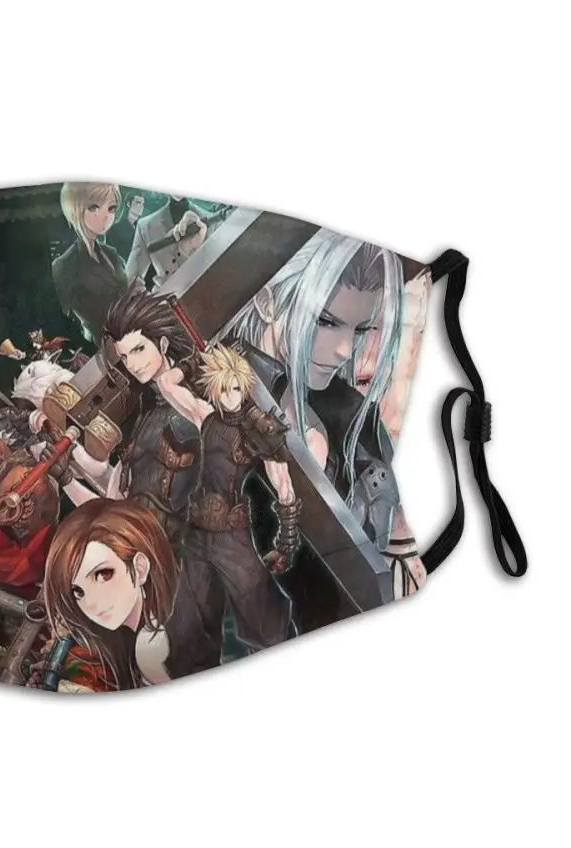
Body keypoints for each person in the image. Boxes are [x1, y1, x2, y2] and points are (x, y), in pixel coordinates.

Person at [224, 228, 425, 607]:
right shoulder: (224, 402)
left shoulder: (357, 421)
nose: (345, 349)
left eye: (359, 328)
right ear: (267, 304)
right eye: (326, 322)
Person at [165, 345, 299, 676]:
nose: (230, 397)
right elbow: (167, 383)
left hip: (231, 535)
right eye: (223, 389)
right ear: (214, 390)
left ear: (244, 387)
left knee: (263, 616)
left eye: (236, 388)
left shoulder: (258, 431)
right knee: (187, 622)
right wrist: (195, 360)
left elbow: (284, 485)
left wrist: (285, 543)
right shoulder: (205, 417)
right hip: (197, 534)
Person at [43, 498, 178, 689]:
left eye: (104, 574)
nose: (91, 603)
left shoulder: (153, 644)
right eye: (78, 591)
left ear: (140, 568)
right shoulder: (137, 634)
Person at [100, 289, 202, 543]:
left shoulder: (196, 393)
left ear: (163, 344)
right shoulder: (144, 417)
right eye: (125, 357)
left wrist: (172, 386)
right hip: (150, 539)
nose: (133, 365)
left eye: (139, 349)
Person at [51, 182, 129, 344]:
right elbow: (60, 322)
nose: (106, 216)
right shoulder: (64, 265)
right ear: (76, 209)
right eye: (94, 207)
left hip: (130, 336)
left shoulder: (111, 254)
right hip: (97, 346)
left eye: (111, 208)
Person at [125, 195, 231, 289]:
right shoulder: (145, 226)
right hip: (164, 301)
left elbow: (223, 275)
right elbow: (130, 280)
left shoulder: (215, 224)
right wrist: (153, 304)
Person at [105, 191, 145, 260]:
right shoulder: (115, 229)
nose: (141, 207)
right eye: (138, 203)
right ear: (128, 204)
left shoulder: (143, 230)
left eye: (143, 204)